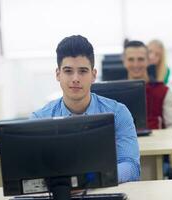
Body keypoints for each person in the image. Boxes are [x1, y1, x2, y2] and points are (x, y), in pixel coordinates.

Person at [31, 35, 140, 183]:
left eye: (82, 71)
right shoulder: (39, 119)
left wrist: (92, 180)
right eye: (68, 71)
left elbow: (131, 166)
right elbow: (34, 173)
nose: (75, 78)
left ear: (93, 75)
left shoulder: (118, 113)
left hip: (105, 191)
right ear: (58, 74)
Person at [123, 40, 172, 131]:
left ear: (148, 61)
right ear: (124, 62)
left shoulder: (164, 92)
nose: (136, 64)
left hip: (158, 144)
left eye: (140, 59)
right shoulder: (114, 93)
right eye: (131, 59)